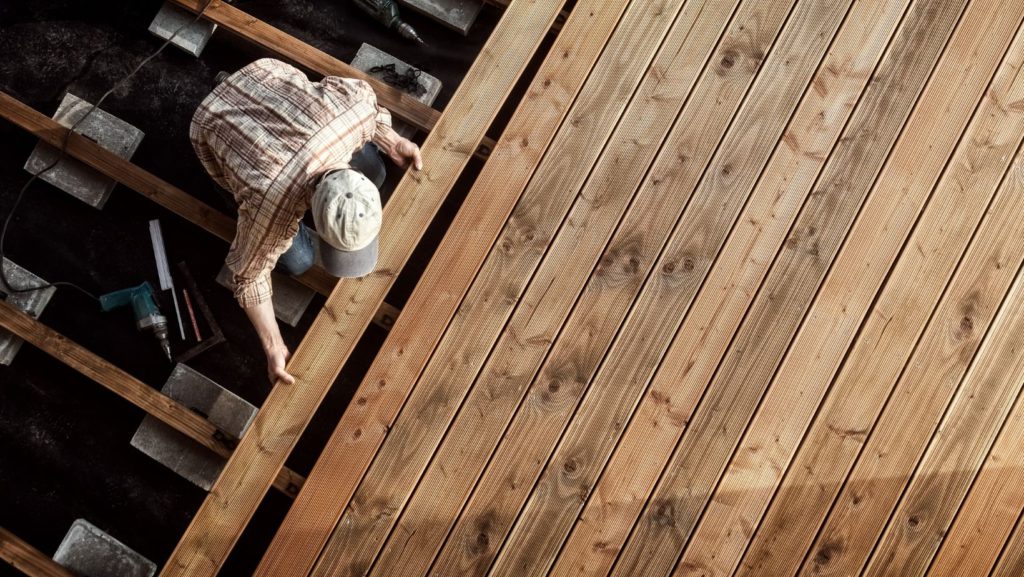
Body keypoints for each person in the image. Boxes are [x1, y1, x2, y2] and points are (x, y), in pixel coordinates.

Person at [190, 58, 422, 385]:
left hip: (264, 75)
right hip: (214, 122)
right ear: (312, 207)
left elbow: (370, 114)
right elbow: (248, 276)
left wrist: (392, 141)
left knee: (378, 170)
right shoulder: (271, 205)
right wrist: (272, 345)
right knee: (298, 260)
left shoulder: (353, 112)